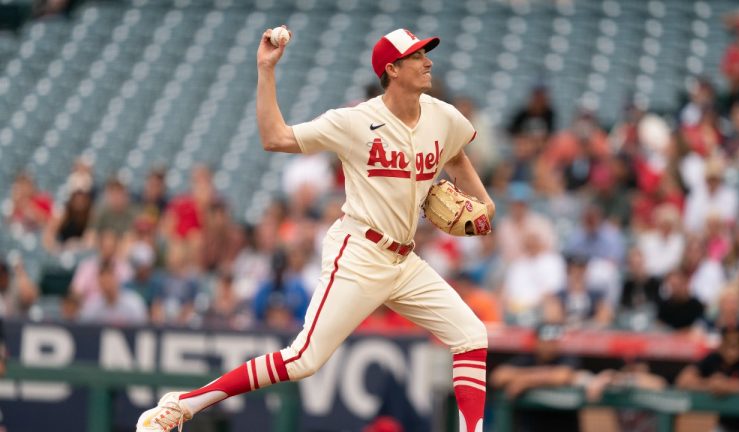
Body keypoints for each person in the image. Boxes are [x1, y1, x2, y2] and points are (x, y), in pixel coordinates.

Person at [136, 27, 495, 432]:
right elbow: (275, 138)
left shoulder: (441, 116)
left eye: (425, 54)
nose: (427, 61)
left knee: (471, 335)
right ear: (391, 69)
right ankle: (184, 403)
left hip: (404, 259)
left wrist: (486, 202)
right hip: (361, 252)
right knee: (303, 358)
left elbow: (457, 155)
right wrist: (266, 70)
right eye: (416, 56)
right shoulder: (357, 121)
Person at [676, 325, 739, 432]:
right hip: (726, 425)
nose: (731, 351)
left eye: (735, 345)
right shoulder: (713, 359)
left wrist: (731, 387)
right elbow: (683, 380)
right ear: (721, 345)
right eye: (728, 344)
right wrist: (710, 384)